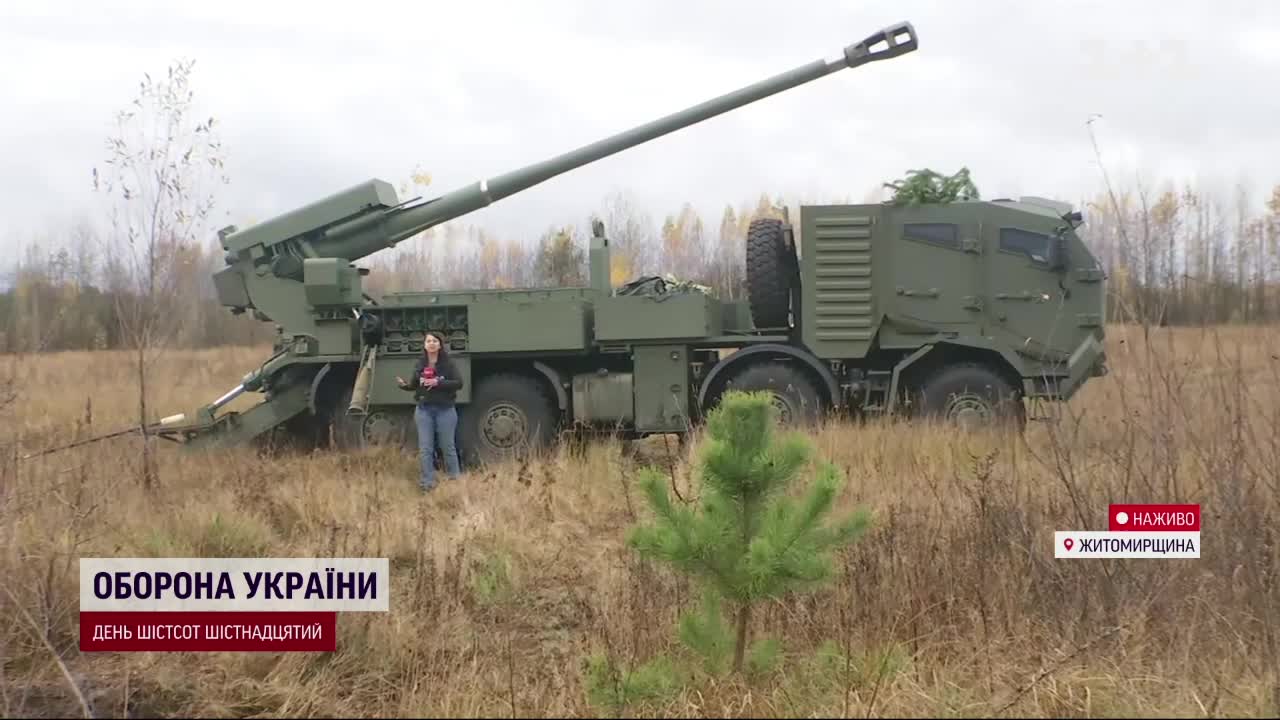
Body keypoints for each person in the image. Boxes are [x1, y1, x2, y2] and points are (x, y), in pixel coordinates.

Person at [396, 331, 463, 491]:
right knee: (426, 448)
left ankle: (455, 480)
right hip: (424, 410)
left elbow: (459, 383)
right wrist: (404, 385)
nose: (431, 343)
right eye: (428, 341)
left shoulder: (448, 364)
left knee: (448, 447)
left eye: (434, 341)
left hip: (445, 409)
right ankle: (428, 483)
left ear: (440, 344)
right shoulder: (420, 364)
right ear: (425, 345)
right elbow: (414, 385)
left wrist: (437, 383)